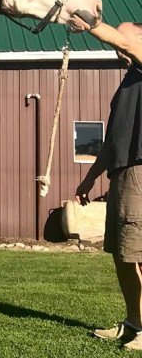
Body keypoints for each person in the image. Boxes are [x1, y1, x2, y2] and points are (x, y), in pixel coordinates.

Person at [74, 19, 142, 350]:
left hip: (140, 173)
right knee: (122, 253)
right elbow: (112, 141)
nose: (117, 48)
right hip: (121, 172)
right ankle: (134, 324)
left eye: (121, 39)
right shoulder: (128, 83)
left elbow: (129, 45)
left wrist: (89, 23)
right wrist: (88, 179)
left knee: (138, 253)